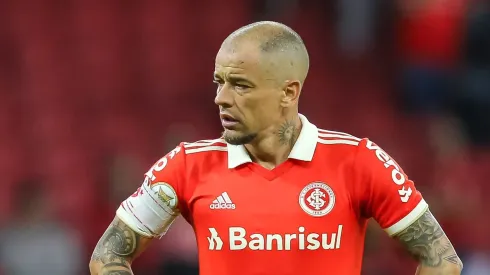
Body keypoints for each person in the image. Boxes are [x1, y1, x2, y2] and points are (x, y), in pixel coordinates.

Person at [89, 21, 463, 275]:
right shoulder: (187, 166)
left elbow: (441, 258)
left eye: (240, 85)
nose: (220, 98)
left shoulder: (358, 161)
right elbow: (108, 256)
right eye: (219, 82)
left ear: (289, 92)